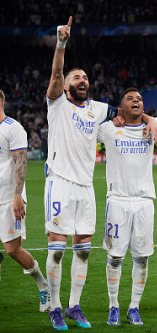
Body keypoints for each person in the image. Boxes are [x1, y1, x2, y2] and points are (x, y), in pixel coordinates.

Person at [44, 17, 157, 331]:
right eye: (76, 77)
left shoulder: (96, 108)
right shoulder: (56, 103)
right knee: (56, 251)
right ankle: (54, 306)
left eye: (85, 77)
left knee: (82, 250)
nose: (83, 80)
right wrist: (62, 43)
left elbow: (127, 111)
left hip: (86, 188)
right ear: (66, 85)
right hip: (60, 183)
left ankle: (73, 306)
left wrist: (148, 118)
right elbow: (56, 73)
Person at [97, 88, 157, 326]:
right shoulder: (109, 128)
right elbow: (84, 124)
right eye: (130, 99)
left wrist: (150, 120)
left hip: (144, 202)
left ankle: (134, 307)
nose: (136, 100)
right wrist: (111, 115)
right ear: (121, 107)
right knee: (115, 257)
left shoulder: (153, 126)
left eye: (139, 98)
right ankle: (113, 306)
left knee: (142, 258)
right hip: (117, 200)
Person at [0, 89, 50, 312]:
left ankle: (42, 283)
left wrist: (18, 196)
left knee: (12, 250)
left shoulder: (13, 128)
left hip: (9, 198)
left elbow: (21, 163)